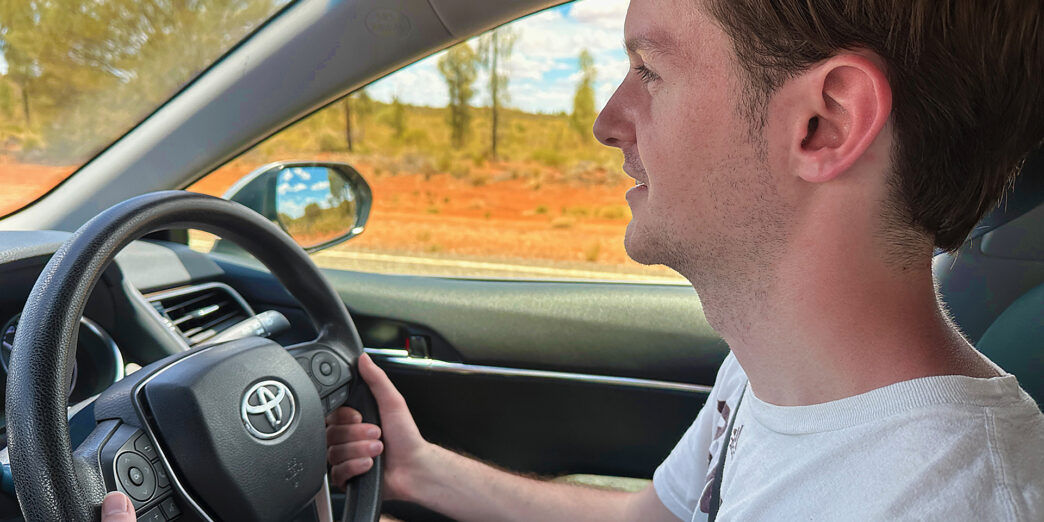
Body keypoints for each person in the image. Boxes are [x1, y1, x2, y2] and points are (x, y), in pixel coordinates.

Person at [105, 0, 1044, 520]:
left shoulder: (944, 502)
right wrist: (422, 472)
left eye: (650, 70)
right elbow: (655, 520)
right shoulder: (784, 371)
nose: (608, 121)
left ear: (823, 123)